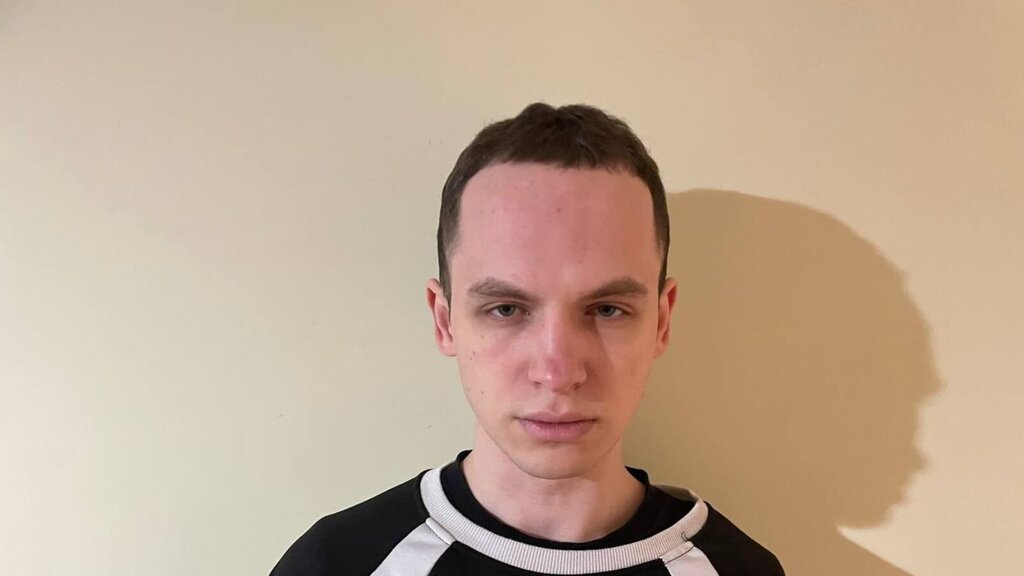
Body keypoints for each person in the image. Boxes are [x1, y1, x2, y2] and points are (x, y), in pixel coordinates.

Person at [270, 103, 784, 575]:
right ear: (445, 321)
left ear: (661, 322)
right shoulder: (335, 564)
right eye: (506, 309)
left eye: (607, 309)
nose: (558, 373)